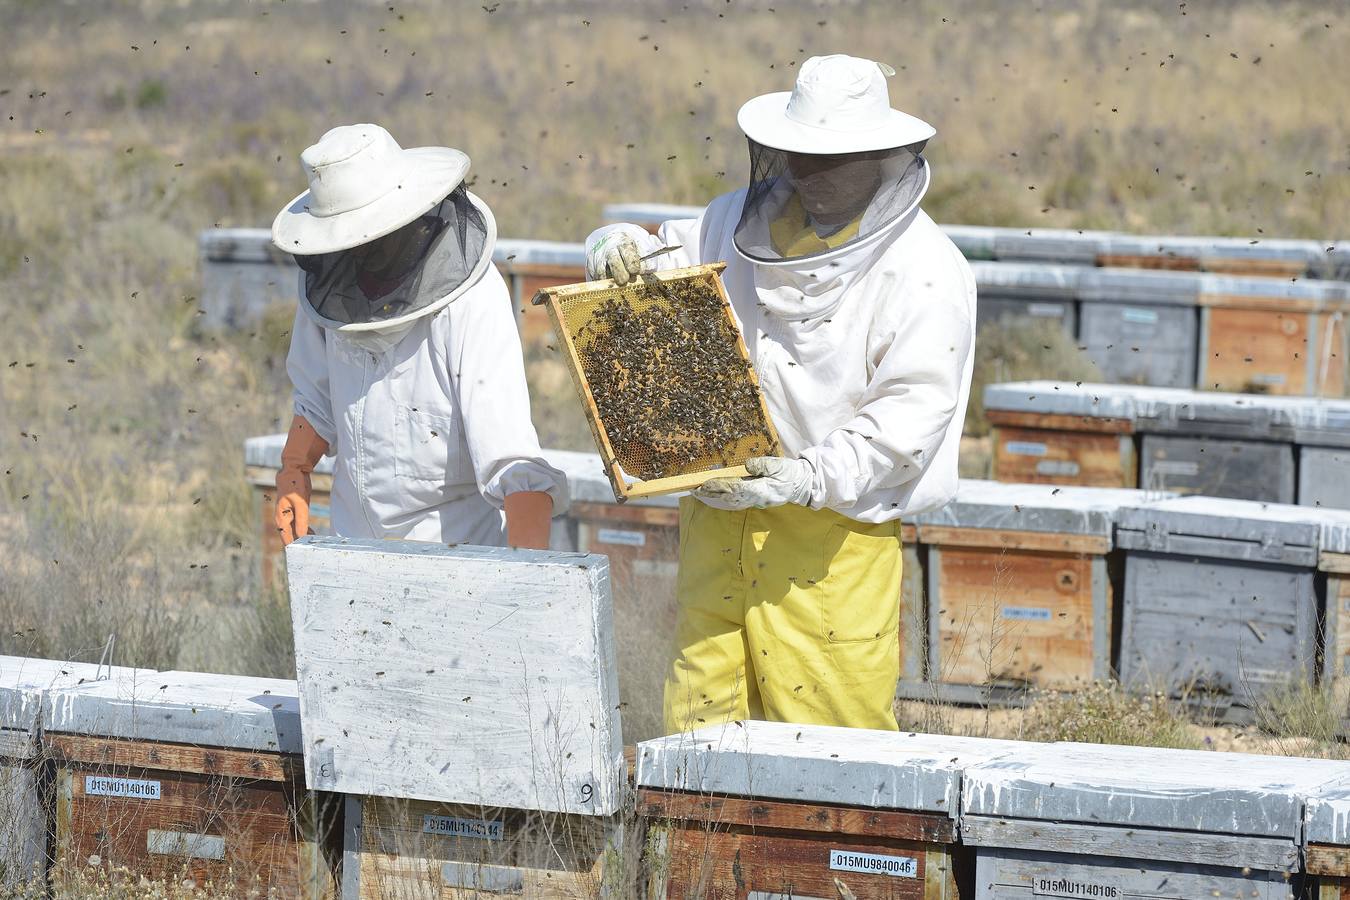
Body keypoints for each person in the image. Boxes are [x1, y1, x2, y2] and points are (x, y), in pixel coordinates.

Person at [586, 55, 976, 733]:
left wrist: (804, 478)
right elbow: (665, 263)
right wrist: (618, 243)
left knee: (829, 744)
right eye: (798, 155)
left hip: (833, 537)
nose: (805, 173)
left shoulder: (924, 270)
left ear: (879, 159)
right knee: (700, 725)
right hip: (718, 510)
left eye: (829, 161)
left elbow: (909, 419)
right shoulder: (733, 221)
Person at [272, 124, 566, 551]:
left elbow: (510, 455)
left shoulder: (470, 299)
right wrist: (295, 467)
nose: (357, 256)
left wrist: (528, 568)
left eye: (368, 243)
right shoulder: (330, 289)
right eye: (346, 245)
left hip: (456, 559)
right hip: (352, 550)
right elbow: (315, 399)